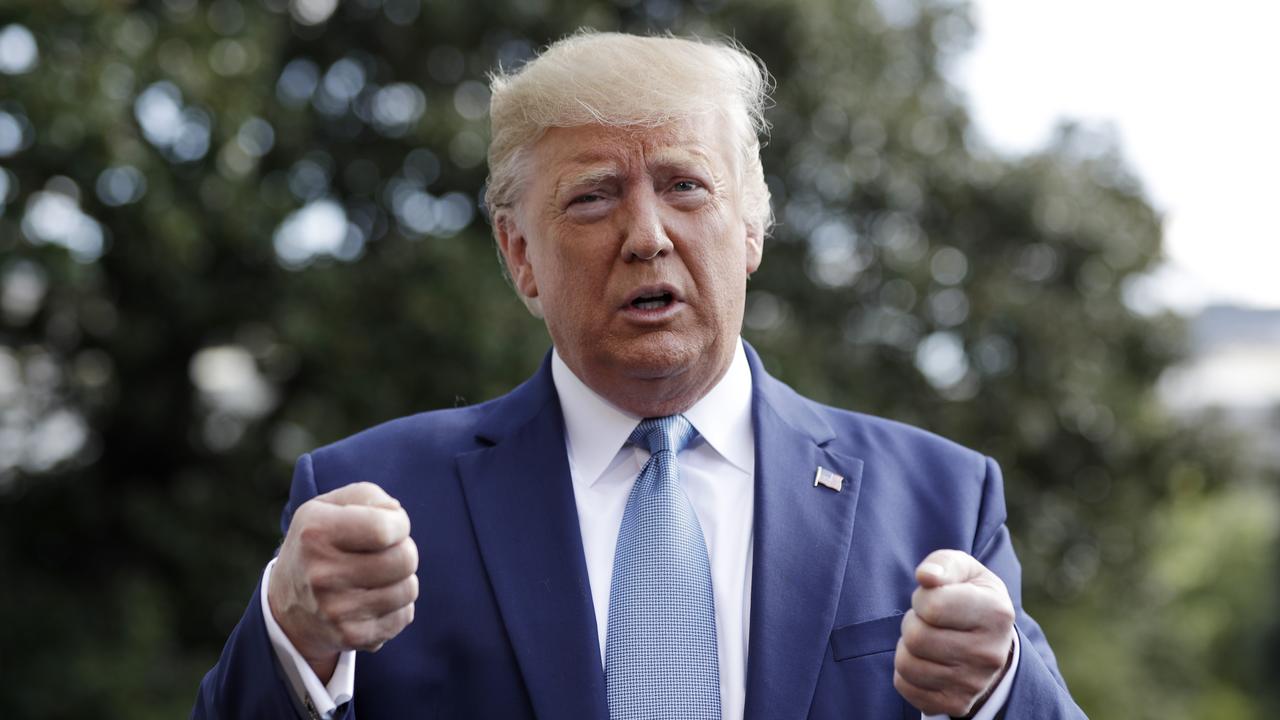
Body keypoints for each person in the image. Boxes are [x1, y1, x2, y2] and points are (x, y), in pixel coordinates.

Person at [194, 31, 1086, 720]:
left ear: (751, 230)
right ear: (520, 257)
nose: (648, 234)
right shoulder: (374, 507)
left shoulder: (939, 498)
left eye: (686, 186)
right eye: (592, 196)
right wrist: (293, 633)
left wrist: (996, 692)